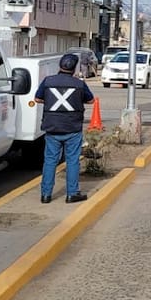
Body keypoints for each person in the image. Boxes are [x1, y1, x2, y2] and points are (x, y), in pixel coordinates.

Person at [34, 53, 94, 204]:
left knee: (50, 161)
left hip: (52, 127)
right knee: (72, 160)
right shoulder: (79, 84)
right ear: (74, 68)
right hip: (72, 127)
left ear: (60, 66)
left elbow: (37, 98)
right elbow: (91, 100)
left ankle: (46, 194)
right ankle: (72, 194)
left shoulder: (48, 81)